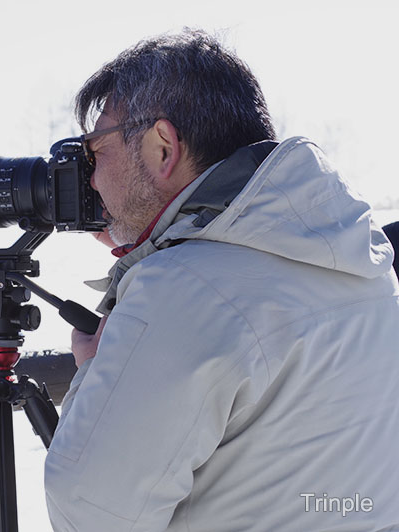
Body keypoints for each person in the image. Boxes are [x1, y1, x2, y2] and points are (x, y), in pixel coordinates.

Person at [44, 30, 399, 531]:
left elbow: (89, 512)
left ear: (163, 147)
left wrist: (94, 372)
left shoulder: (181, 290)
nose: (90, 178)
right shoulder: (361, 259)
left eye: (95, 151)